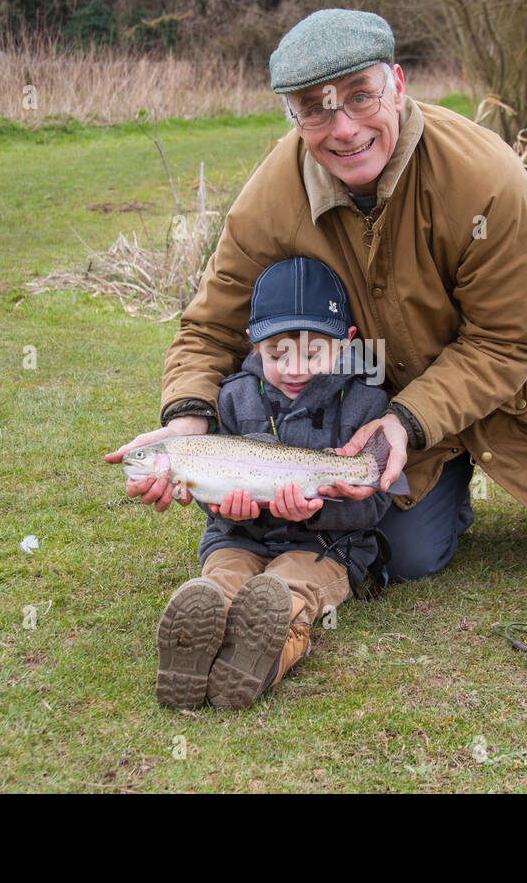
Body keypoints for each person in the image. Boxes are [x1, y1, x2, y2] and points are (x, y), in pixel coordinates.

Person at [107, 7, 527, 590]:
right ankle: (447, 479)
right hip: (398, 401)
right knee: (405, 558)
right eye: (314, 108)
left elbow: (504, 342)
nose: (344, 129)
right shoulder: (268, 201)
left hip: (524, 378)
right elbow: (210, 331)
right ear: (294, 115)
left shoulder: (490, 180)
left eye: (361, 96)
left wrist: (406, 420)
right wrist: (188, 417)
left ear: (398, 84)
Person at [154, 257, 394, 710]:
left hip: (324, 545)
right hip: (239, 537)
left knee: (288, 591)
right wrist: (224, 508)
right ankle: (194, 641)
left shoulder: (368, 403)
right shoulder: (232, 395)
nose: (294, 367)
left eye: (312, 352)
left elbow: (374, 507)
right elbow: (212, 480)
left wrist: (320, 507)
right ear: (253, 344)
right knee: (222, 579)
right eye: (277, 353)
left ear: (346, 343)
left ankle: (267, 655)